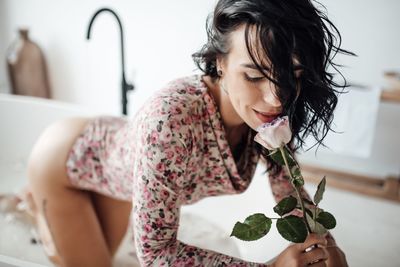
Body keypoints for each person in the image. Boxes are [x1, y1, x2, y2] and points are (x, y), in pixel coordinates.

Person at [25, 0, 351, 266]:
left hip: (121, 170)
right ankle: (32, 204)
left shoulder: (270, 113)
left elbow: (288, 190)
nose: (276, 98)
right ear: (219, 63)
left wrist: (326, 247)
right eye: (254, 77)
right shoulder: (170, 121)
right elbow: (157, 255)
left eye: (290, 76)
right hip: (63, 161)